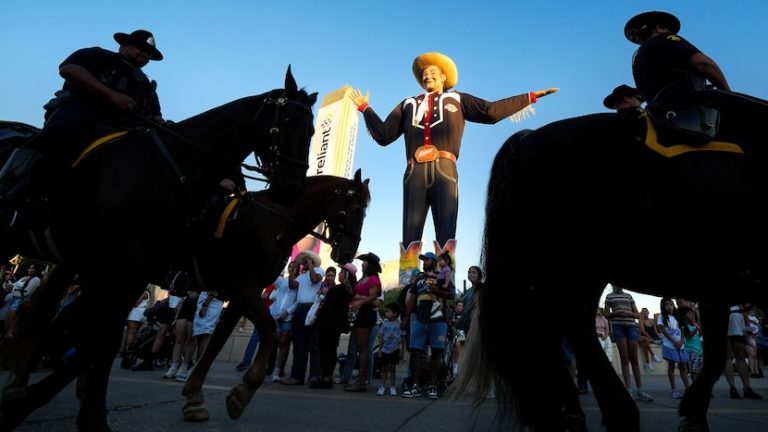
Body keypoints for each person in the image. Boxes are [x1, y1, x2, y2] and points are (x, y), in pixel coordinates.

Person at [349, 52, 558, 278]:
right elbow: (384, 135)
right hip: (414, 170)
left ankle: (443, 282)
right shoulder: (408, 103)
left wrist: (530, 97)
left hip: (445, 168)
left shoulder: (457, 99)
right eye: (424, 73)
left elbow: (490, 111)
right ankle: (408, 283)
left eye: (432, 72)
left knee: (446, 229)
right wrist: (365, 109)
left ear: (443, 76)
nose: (427, 75)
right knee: (410, 231)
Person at [0, 30, 164, 216]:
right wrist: (111, 95)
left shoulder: (146, 86)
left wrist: (157, 120)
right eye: (140, 48)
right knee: (59, 136)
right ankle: (7, 190)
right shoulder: (99, 56)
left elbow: (155, 115)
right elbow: (69, 69)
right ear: (123, 46)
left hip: (121, 131)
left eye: (148, 54)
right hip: (81, 114)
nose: (144, 55)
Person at [401, 252, 455, 399]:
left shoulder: (442, 275)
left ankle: (433, 385)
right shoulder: (419, 279)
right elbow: (411, 299)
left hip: (438, 321)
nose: (424, 262)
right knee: (415, 351)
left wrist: (437, 291)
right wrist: (406, 318)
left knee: (437, 352)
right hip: (419, 320)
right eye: (423, 260)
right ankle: (416, 386)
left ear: (434, 261)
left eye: (427, 259)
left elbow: (452, 295)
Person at [604, 285, 653, 402]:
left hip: (631, 327)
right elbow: (606, 315)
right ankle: (629, 391)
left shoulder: (629, 296)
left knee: (634, 359)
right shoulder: (609, 297)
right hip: (618, 328)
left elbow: (638, 315)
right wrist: (618, 313)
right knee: (624, 359)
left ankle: (640, 391)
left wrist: (629, 314)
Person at [283, 250, 323, 386]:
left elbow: (315, 279)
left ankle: (314, 376)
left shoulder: (319, 270)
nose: (304, 263)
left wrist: (311, 266)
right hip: (300, 309)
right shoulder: (301, 276)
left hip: (311, 308)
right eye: (304, 261)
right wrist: (292, 274)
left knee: (313, 344)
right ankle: (297, 376)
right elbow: (292, 286)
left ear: (313, 261)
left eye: (307, 260)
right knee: (299, 344)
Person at [344, 252, 383, 392]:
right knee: (361, 348)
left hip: (366, 314)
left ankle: (361, 381)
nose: (362, 264)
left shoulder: (373, 279)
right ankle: (360, 380)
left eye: (365, 262)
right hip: (360, 314)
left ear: (370, 265)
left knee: (363, 349)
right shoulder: (364, 279)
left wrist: (360, 302)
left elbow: (373, 296)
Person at [314, 263, 354, 389]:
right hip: (329, 324)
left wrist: (326, 293)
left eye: (342, 272)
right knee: (326, 350)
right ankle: (325, 376)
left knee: (328, 351)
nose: (340, 274)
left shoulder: (341, 289)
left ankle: (326, 378)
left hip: (330, 325)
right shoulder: (342, 289)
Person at [657, 298, 689, 399]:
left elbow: (682, 330)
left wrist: (681, 341)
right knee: (671, 367)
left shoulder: (677, 316)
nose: (669, 306)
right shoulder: (661, 316)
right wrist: (675, 341)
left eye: (670, 304)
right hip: (670, 345)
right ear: (663, 306)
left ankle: (688, 388)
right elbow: (664, 331)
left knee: (683, 367)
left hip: (680, 345)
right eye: (666, 305)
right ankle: (674, 390)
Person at [376, 302, 403, 396]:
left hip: (395, 350)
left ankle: (392, 386)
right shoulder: (384, 324)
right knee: (384, 368)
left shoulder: (400, 325)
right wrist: (380, 350)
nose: (386, 313)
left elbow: (402, 339)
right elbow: (381, 337)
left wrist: (402, 351)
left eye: (388, 311)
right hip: (385, 349)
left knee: (392, 369)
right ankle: (382, 386)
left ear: (395, 314)